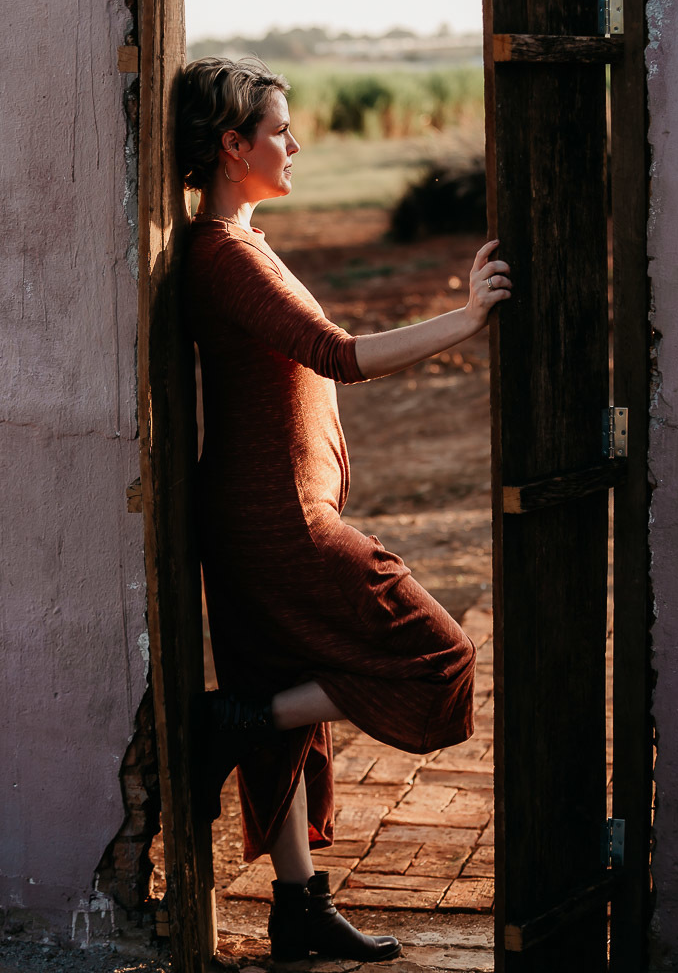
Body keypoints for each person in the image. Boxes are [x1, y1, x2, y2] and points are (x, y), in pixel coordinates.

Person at [177, 56, 512, 964]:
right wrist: (467, 319)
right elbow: (338, 355)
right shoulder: (224, 253)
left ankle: (296, 910)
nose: (296, 143)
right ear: (231, 145)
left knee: (281, 703)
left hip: (260, 514)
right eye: (279, 129)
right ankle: (239, 721)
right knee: (440, 658)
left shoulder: (236, 240)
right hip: (282, 522)